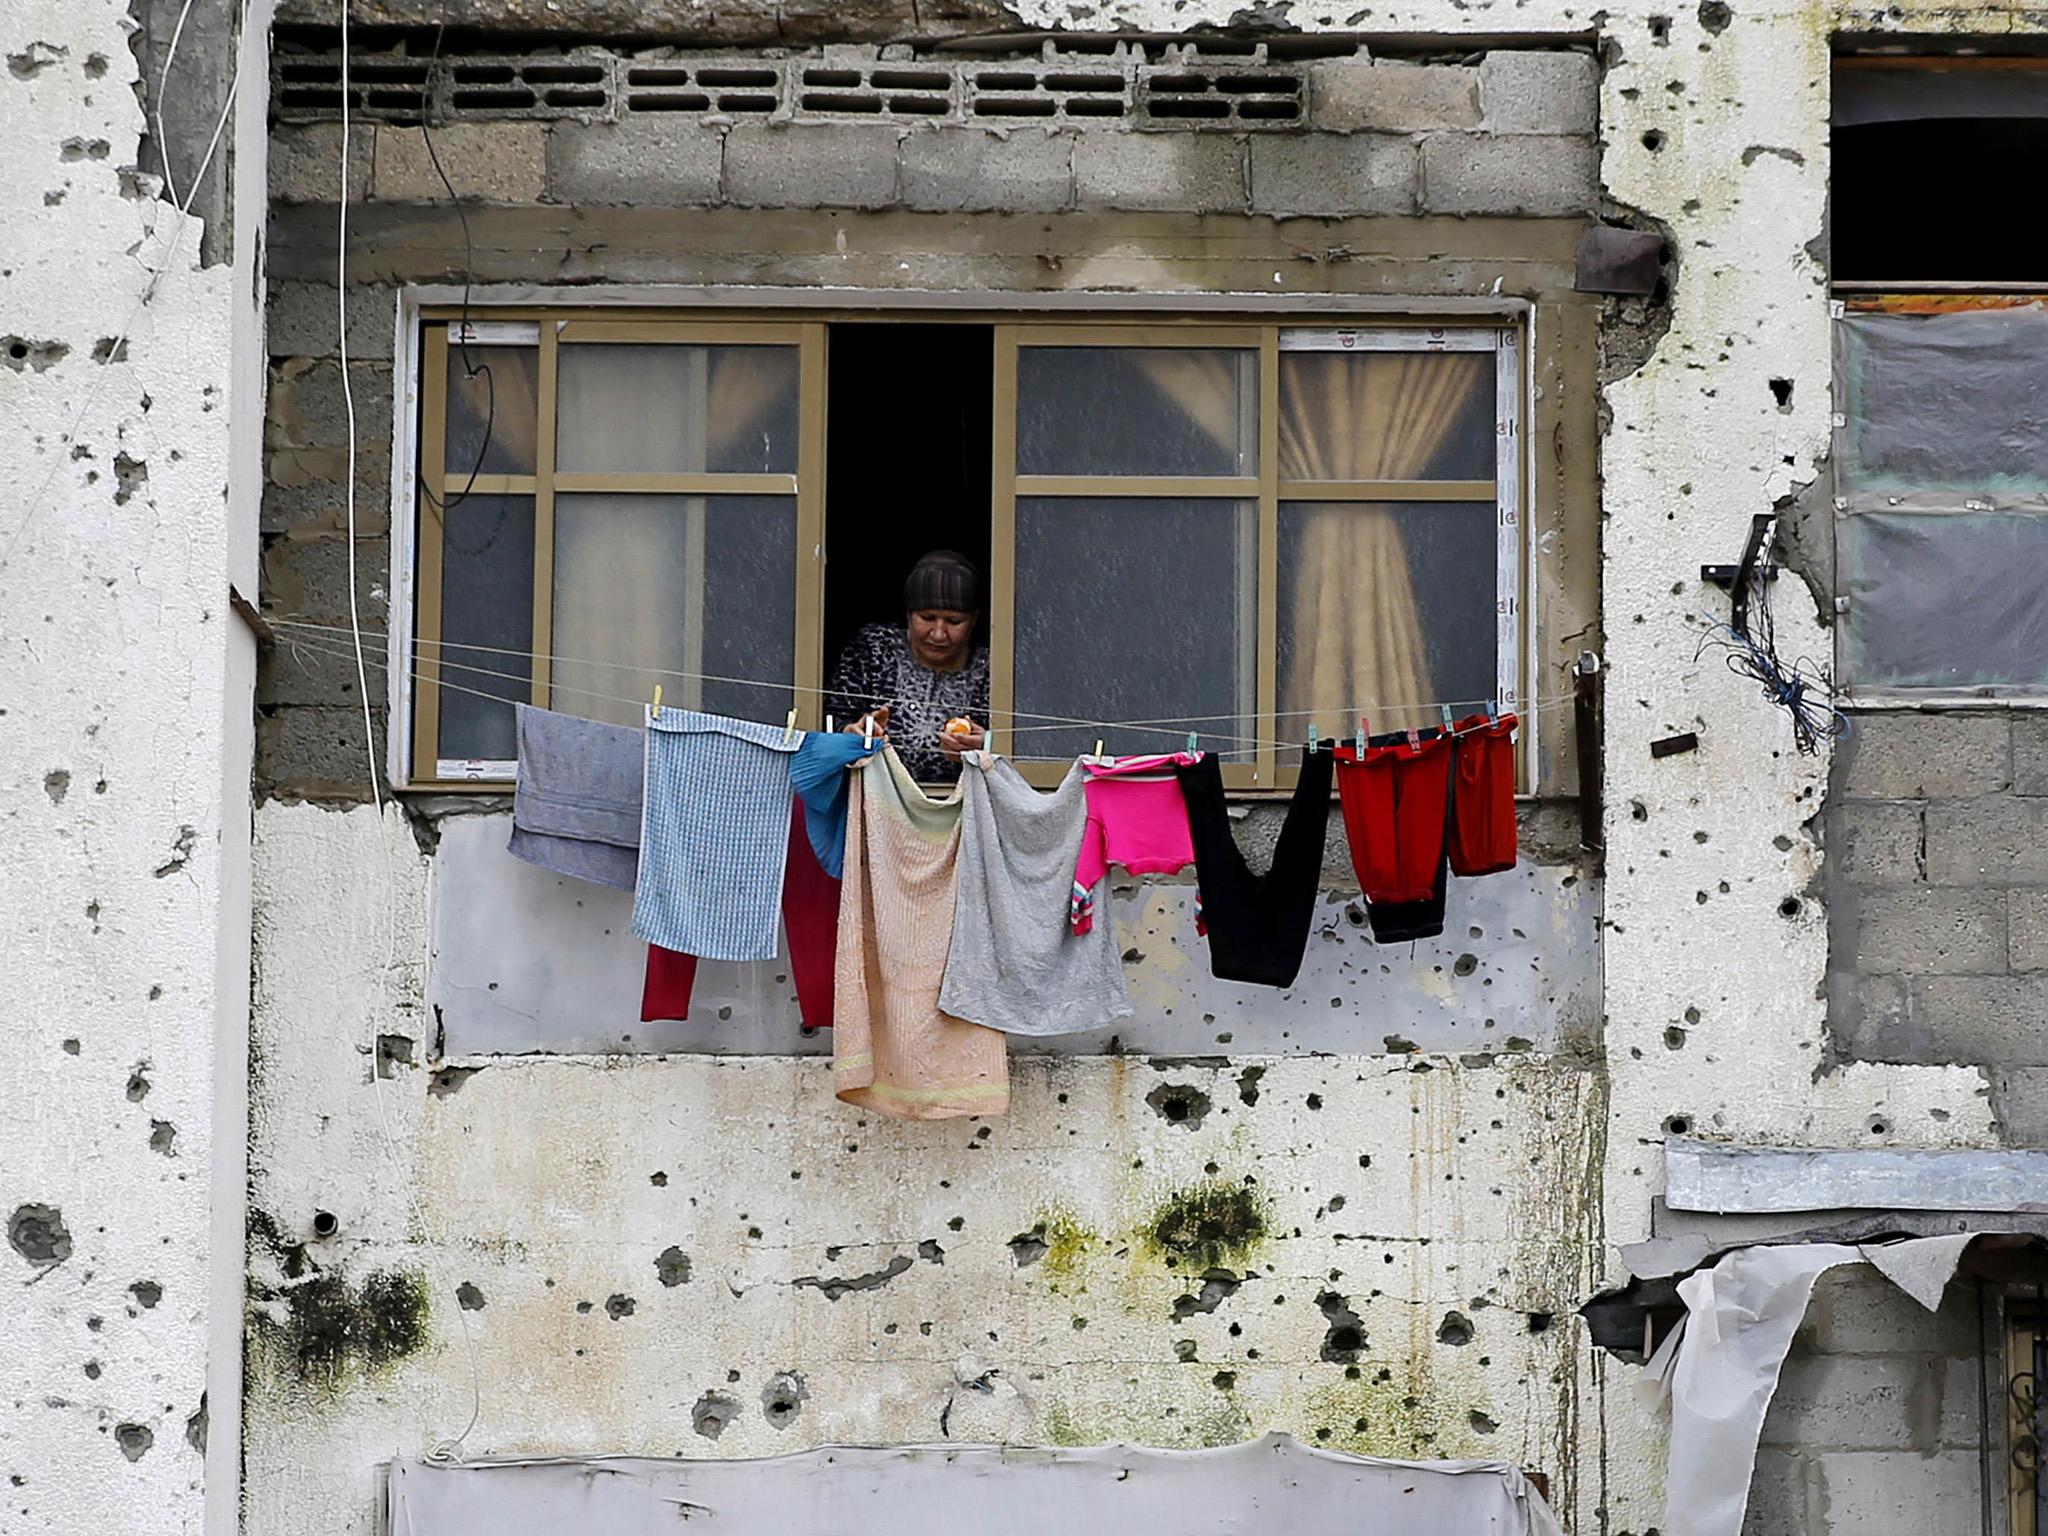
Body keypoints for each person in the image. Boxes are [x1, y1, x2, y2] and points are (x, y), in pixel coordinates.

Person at [827, 550, 989, 783]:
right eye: (927, 618)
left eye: (954, 621)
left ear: (974, 620)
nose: (939, 633)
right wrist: (851, 734)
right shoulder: (874, 648)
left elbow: (1011, 748)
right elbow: (830, 721)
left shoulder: (990, 670)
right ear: (908, 614)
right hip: (874, 804)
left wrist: (984, 747)